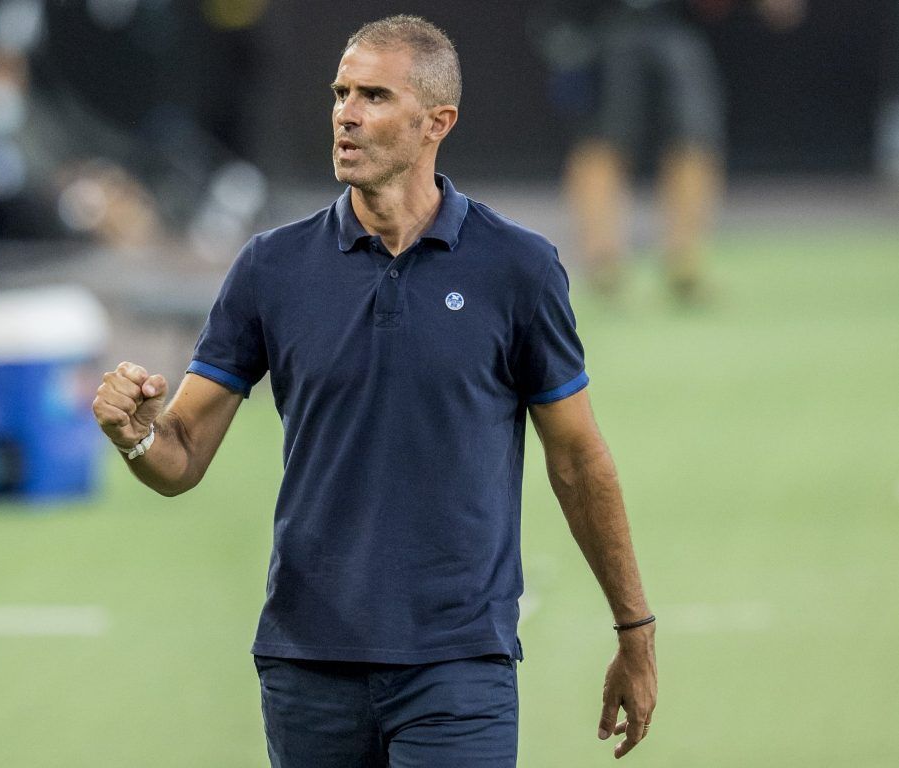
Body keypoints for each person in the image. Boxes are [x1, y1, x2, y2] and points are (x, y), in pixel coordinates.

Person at [93, 15, 656, 766]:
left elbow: (578, 461)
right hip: (306, 664)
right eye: (340, 92)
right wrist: (135, 433)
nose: (346, 114)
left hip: (458, 665)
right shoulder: (271, 268)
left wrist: (633, 630)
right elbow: (182, 452)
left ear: (435, 122)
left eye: (374, 96)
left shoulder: (515, 268)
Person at [539, 0, 805, 300]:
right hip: (601, 26)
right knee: (601, 140)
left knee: (695, 136)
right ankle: (602, 259)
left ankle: (684, 260)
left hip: (677, 23)